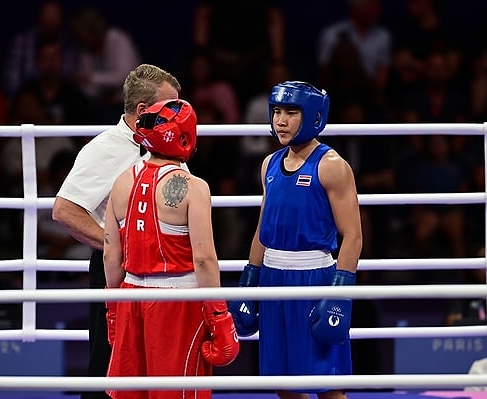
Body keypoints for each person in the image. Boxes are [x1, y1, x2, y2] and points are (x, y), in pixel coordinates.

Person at [52, 64, 182, 399]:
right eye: (170, 106)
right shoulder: (106, 148)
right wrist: (121, 247)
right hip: (117, 271)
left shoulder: (168, 143)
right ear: (142, 111)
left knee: (152, 367)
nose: (179, 114)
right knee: (108, 366)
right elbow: (65, 210)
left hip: (160, 272)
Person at [230, 81, 363, 399]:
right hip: (273, 279)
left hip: (313, 277)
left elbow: (353, 235)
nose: (281, 120)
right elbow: (264, 228)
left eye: (291, 112)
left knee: (326, 383)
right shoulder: (269, 165)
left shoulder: (331, 167)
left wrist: (339, 294)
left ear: (314, 117)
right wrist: (250, 280)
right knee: (284, 383)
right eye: (277, 111)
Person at [103, 98, 239, 399]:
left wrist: (113, 310)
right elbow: (204, 260)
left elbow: (111, 253)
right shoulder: (193, 187)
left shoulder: (121, 182)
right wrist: (218, 315)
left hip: (129, 296)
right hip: (178, 303)